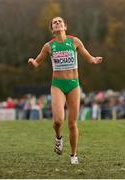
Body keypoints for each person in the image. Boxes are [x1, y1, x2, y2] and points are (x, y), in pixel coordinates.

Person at [28, 16, 103, 164]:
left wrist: (94, 60)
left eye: (59, 21)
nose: (57, 23)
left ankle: (73, 155)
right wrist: (33, 62)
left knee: (72, 123)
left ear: (65, 26)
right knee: (57, 121)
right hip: (58, 85)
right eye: (54, 22)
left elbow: (88, 57)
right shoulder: (49, 46)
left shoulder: (74, 41)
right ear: (52, 29)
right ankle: (58, 138)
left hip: (74, 85)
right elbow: (37, 62)